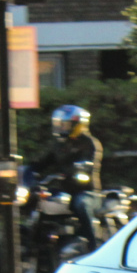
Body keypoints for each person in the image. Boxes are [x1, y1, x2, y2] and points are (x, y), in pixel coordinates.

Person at [28, 105, 102, 247]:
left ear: (77, 125)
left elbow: (90, 163)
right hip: (65, 190)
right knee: (43, 201)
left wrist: (80, 168)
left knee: (81, 204)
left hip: (87, 191)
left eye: (64, 124)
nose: (61, 128)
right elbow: (43, 162)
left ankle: (95, 246)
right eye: (59, 124)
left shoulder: (89, 143)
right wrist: (30, 170)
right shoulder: (58, 144)